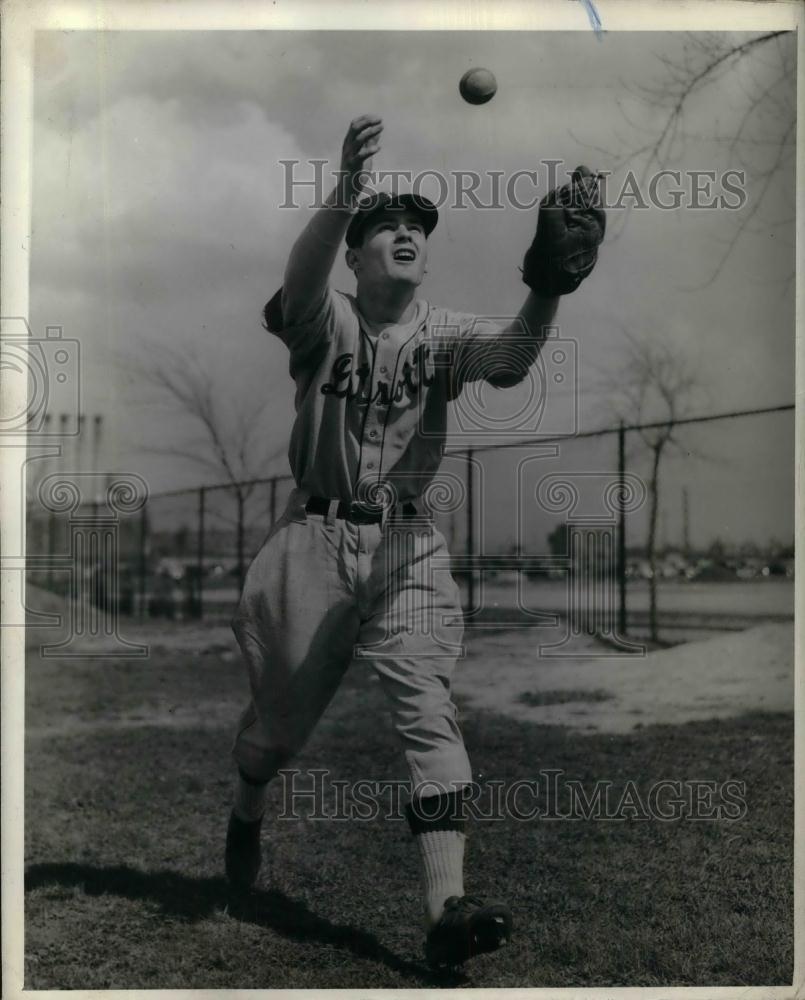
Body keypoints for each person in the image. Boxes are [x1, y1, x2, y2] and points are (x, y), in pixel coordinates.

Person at [225, 114, 604, 969]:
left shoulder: (443, 334)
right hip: (312, 544)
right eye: (382, 227)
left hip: (410, 544)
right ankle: (247, 805)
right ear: (354, 258)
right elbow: (299, 275)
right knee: (275, 735)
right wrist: (342, 195)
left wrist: (547, 284)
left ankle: (447, 909)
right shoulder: (321, 320)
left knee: (427, 708)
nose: (403, 234)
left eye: (415, 229)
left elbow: (507, 361)